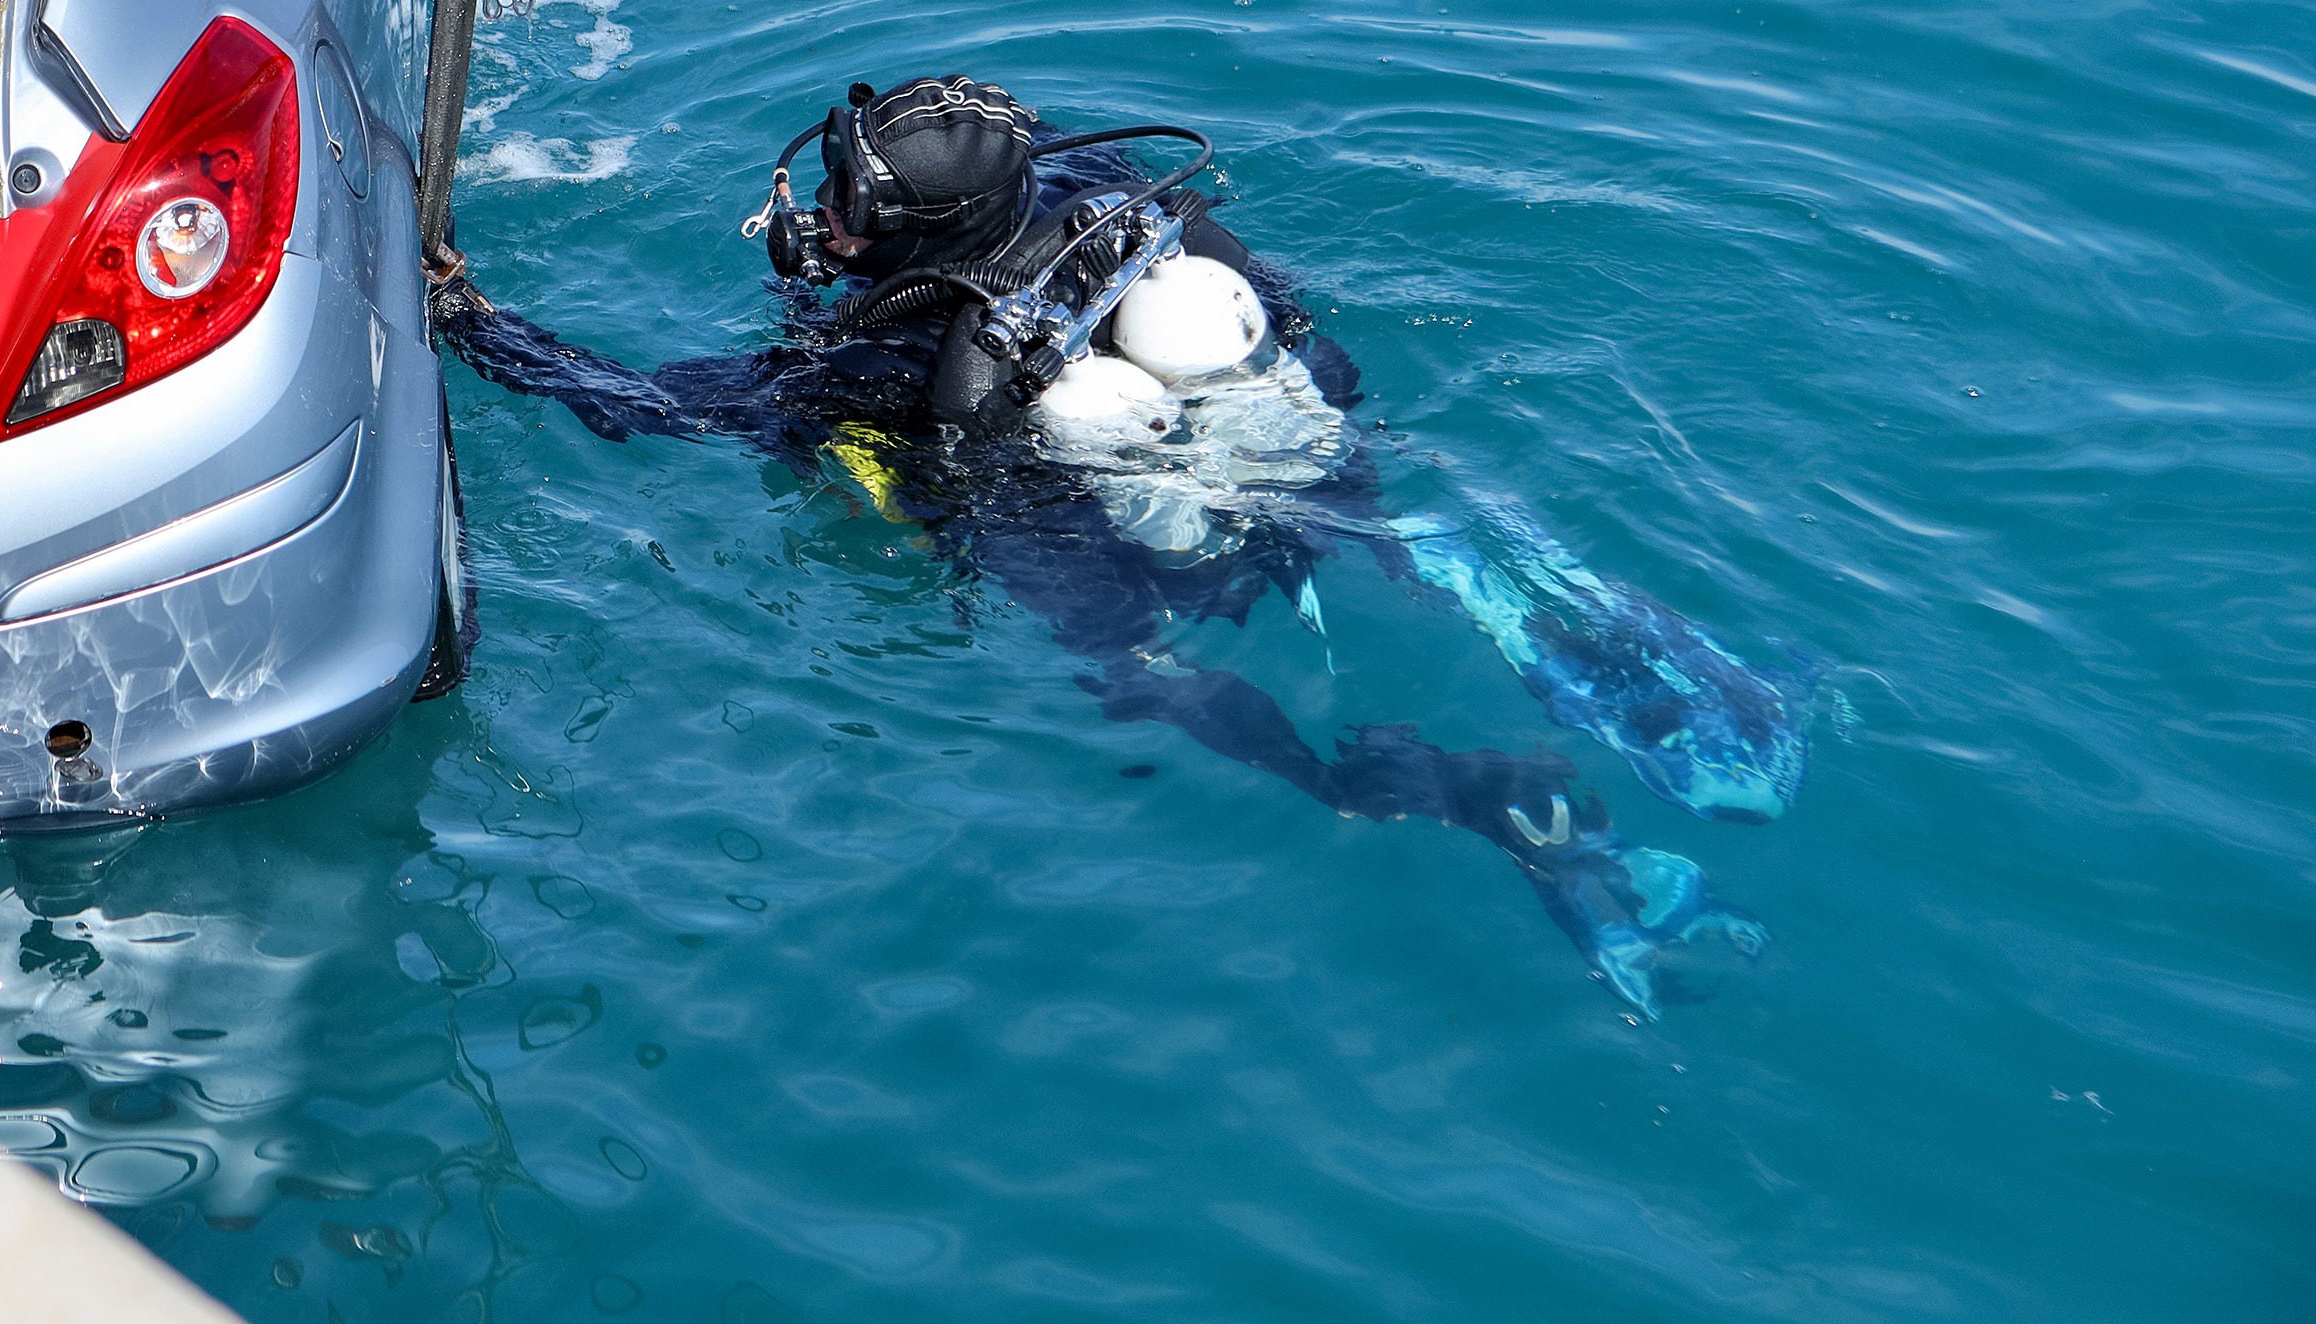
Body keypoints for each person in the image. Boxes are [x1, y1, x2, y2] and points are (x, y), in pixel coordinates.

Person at [437, 74, 1803, 1013]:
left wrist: (476, 320)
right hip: (1296, 434)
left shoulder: (903, 353)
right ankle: (1519, 619)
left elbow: (650, 405)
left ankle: (1456, 793)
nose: (825, 222)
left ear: (916, 233)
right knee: (1357, 511)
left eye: (850, 210)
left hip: (1106, 529)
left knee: (1135, 673)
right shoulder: (1104, 190)